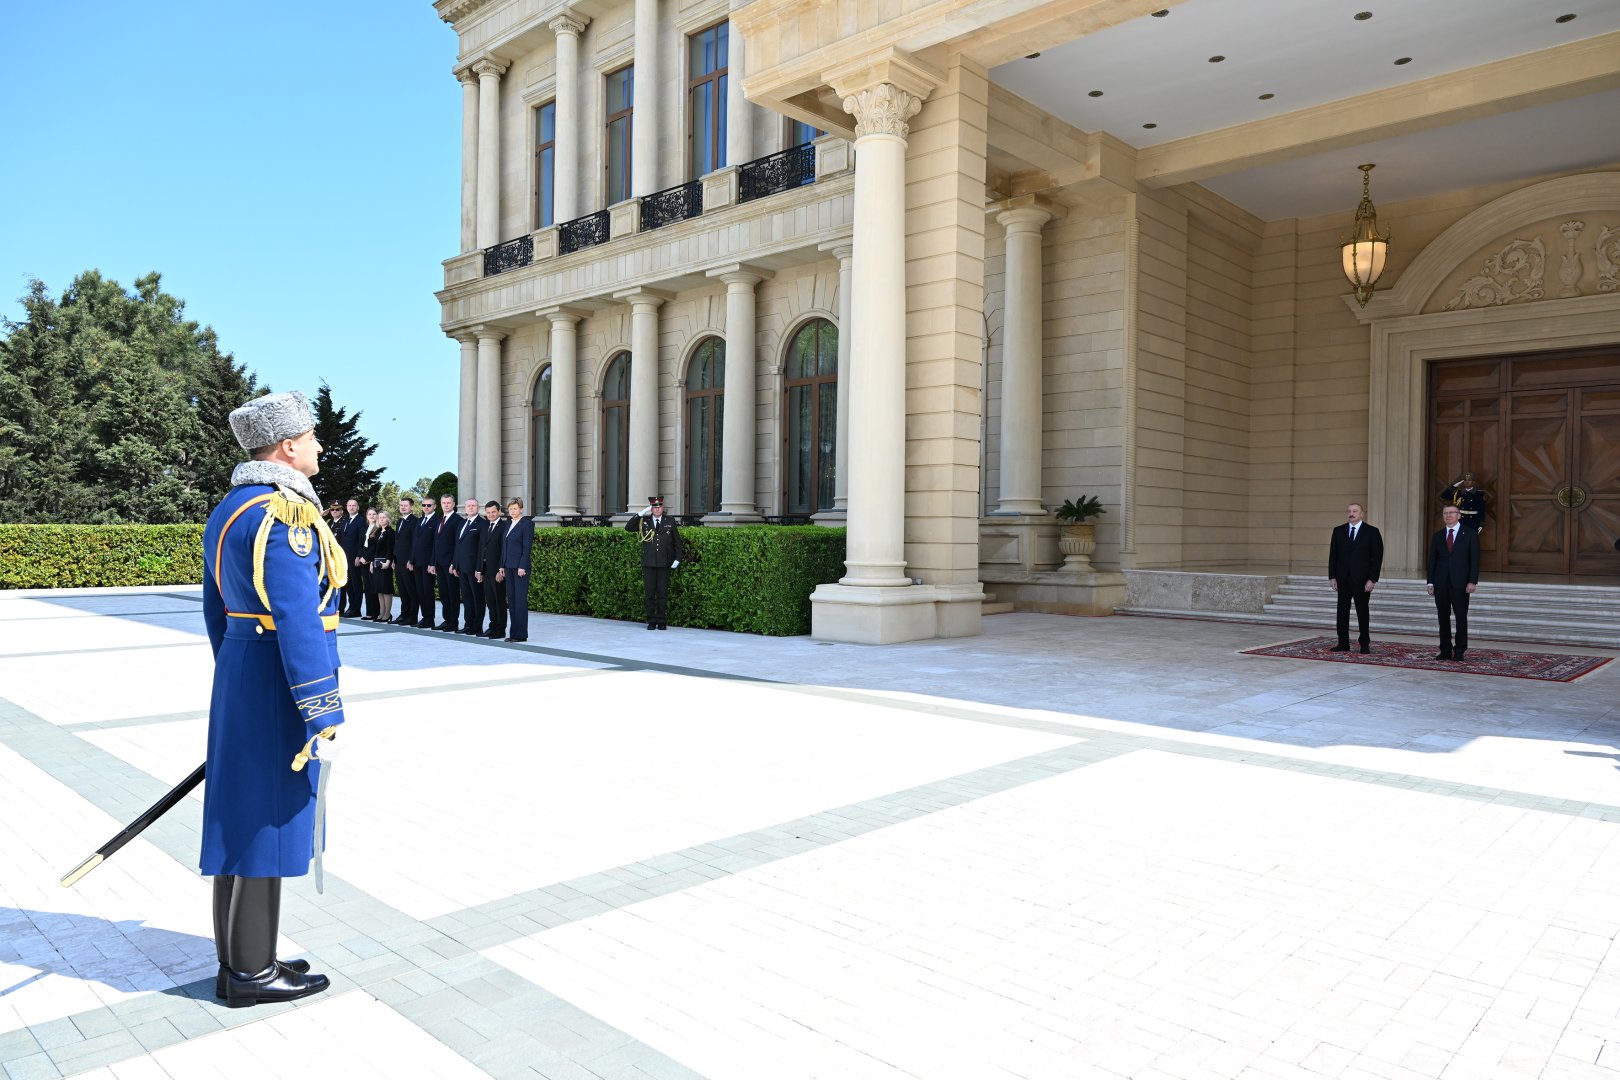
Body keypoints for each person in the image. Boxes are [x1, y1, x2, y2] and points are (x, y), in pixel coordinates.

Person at [201, 389, 344, 1007]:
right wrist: (322, 707)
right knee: (267, 821)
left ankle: (242, 958)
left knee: (241, 817)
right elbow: (298, 618)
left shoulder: (230, 508)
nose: (318, 445)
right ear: (287, 447)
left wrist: (236, 672)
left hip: (243, 672)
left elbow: (216, 609)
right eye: (311, 436)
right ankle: (251, 976)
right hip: (278, 682)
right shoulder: (284, 515)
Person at [1327, 502, 1383, 654]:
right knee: (1342, 612)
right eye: (1349, 511)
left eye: (1355, 511)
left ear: (1362, 514)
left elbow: (1377, 558)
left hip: (1362, 580)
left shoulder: (1372, 532)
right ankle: (1342, 642)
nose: (1351, 513)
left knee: (1362, 612)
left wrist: (1372, 579)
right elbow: (1333, 556)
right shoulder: (1338, 531)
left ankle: (1364, 643)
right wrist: (1332, 576)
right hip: (1342, 579)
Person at [1427, 504, 1480, 661]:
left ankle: (1459, 650)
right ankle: (1445, 649)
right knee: (1442, 618)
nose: (1448, 515)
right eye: (1445, 513)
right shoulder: (1437, 536)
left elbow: (1475, 560)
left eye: (1452, 513)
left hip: (1461, 584)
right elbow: (1432, 561)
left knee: (1460, 618)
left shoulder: (1470, 534)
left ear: (1459, 515)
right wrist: (1430, 582)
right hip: (1441, 583)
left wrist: (1472, 581)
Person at [624, 495, 682, 630]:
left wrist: (677, 558)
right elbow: (628, 527)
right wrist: (640, 513)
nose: (657, 509)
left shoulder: (670, 521)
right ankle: (651, 621)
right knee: (650, 594)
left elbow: (677, 542)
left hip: (664, 563)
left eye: (659, 507)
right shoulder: (644, 521)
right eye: (654, 507)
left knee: (662, 593)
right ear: (651, 509)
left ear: (663, 508)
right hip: (649, 562)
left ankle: (661, 621)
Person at [500, 498, 535, 642]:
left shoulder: (526, 524)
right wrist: (502, 565)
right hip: (508, 567)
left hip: (520, 569)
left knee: (520, 601)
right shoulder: (508, 523)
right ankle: (513, 633)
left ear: (521, 509)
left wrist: (522, 566)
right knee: (512, 601)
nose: (512, 511)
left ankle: (521, 634)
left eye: (515, 508)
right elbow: (504, 546)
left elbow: (527, 547)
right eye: (510, 509)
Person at [452, 497, 487, 635]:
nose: (471, 508)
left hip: (474, 569)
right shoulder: (462, 523)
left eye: (473, 505)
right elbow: (457, 546)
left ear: (478, 508)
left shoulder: (482, 524)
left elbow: (482, 549)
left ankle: (477, 626)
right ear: (465, 508)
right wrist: (455, 565)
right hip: (461, 568)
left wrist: (479, 568)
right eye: (468, 506)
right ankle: (468, 624)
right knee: (466, 598)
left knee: (477, 598)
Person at [431, 493, 463, 631]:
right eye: (444, 503)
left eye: (448, 503)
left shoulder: (458, 520)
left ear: (454, 504)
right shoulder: (439, 519)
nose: (446, 505)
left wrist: (454, 563)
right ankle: (446, 620)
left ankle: (453, 622)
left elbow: (458, 544)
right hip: (439, 563)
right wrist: (433, 562)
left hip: (450, 564)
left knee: (453, 594)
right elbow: (435, 543)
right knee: (444, 593)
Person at [478, 500, 509, 639]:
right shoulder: (485, 527)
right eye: (488, 512)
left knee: (499, 601)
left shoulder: (504, 527)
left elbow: (504, 550)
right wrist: (479, 569)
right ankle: (492, 626)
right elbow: (481, 549)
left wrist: (500, 569)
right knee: (490, 601)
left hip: (497, 571)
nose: (490, 514)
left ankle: (500, 629)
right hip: (485, 570)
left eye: (493, 512)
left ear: (499, 512)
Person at [412, 494, 440, 629]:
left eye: (429, 505)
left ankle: (430, 619)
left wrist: (432, 562)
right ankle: (424, 617)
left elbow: (436, 543)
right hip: (417, 562)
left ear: (434, 506)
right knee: (420, 591)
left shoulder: (437, 521)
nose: (426, 507)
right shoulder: (420, 520)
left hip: (428, 563)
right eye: (424, 505)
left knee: (428, 591)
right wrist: (411, 559)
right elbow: (415, 542)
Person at [393, 496, 419, 627]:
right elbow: (397, 542)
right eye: (401, 505)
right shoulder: (399, 521)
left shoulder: (414, 521)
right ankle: (404, 614)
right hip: (398, 561)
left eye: (406, 505)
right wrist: (394, 558)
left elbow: (415, 543)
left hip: (408, 562)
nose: (403, 507)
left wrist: (411, 560)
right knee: (402, 590)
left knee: (411, 590)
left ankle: (412, 617)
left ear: (411, 507)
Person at [338, 498, 366, 618]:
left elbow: (361, 539)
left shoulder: (361, 521)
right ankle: (351, 606)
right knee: (348, 583)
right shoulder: (345, 521)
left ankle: (356, 609)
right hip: (345, 557)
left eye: (354, 505)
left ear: (358, 507)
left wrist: (359, 555)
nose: (351, 507)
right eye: (349, 505)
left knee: (356, 583)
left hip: (354, 557)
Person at [368, 510, 396, 623]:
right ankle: (381, 612)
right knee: (379, 589)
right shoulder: (378, 531)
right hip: (376, 563)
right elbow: (374, 549)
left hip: (385, 563)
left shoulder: (391, 532)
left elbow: (390, 548)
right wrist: (371, 562)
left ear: (388, 519)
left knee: (386, 589)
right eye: (380, 517)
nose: (381, 519)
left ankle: (387, 613)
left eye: (384, 517)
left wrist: (388, 561)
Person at [361, 507, 380, 619]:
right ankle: (369, 613)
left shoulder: (378, 528)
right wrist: (361, 556)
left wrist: (367, 557)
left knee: (374, 587)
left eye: (374, 514)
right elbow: (360, 543)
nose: (372, 516)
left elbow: (375, 546)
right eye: (369, 514)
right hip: (364, 561)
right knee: (367, 587)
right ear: (367, 516)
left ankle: (377, 612)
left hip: (372, 560)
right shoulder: (365, 528)